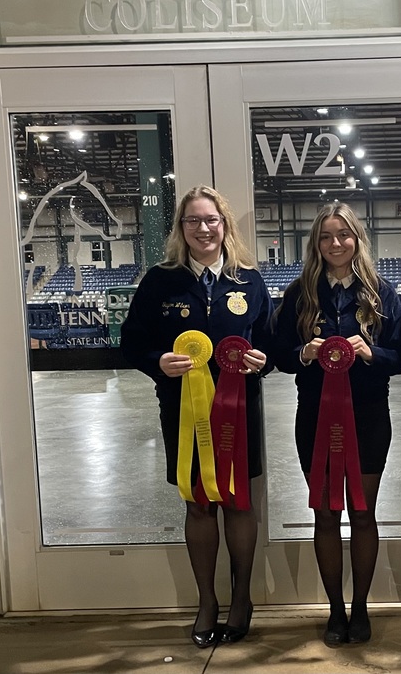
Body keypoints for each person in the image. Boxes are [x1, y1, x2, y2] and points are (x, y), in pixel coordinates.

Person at [121, 185, 273, 648]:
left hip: (240, 409)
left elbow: (272, 343)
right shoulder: (159, 281)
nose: (203, 229)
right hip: (182, 410)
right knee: (198, 503)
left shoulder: (249, 280)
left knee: (239, 501)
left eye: (211, 220)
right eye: (193, 220)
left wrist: (262, 360)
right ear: (181, 228)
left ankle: (242, 599)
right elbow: (132, 343)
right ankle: (207, 601)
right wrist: (158, 361)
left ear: (224, 225)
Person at [273, 203, 401, 645]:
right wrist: (303, 353)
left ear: (357, 239)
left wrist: (371, 353)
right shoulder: (299, 293)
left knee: (363, 513)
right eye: (326, 236)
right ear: (316, 243)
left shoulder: (381, 293)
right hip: (315, 417)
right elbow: (279, 354)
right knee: (326, 515)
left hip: (369, 416)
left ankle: (361, 608)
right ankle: (334, 610)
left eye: (344, 235)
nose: (336, 243)